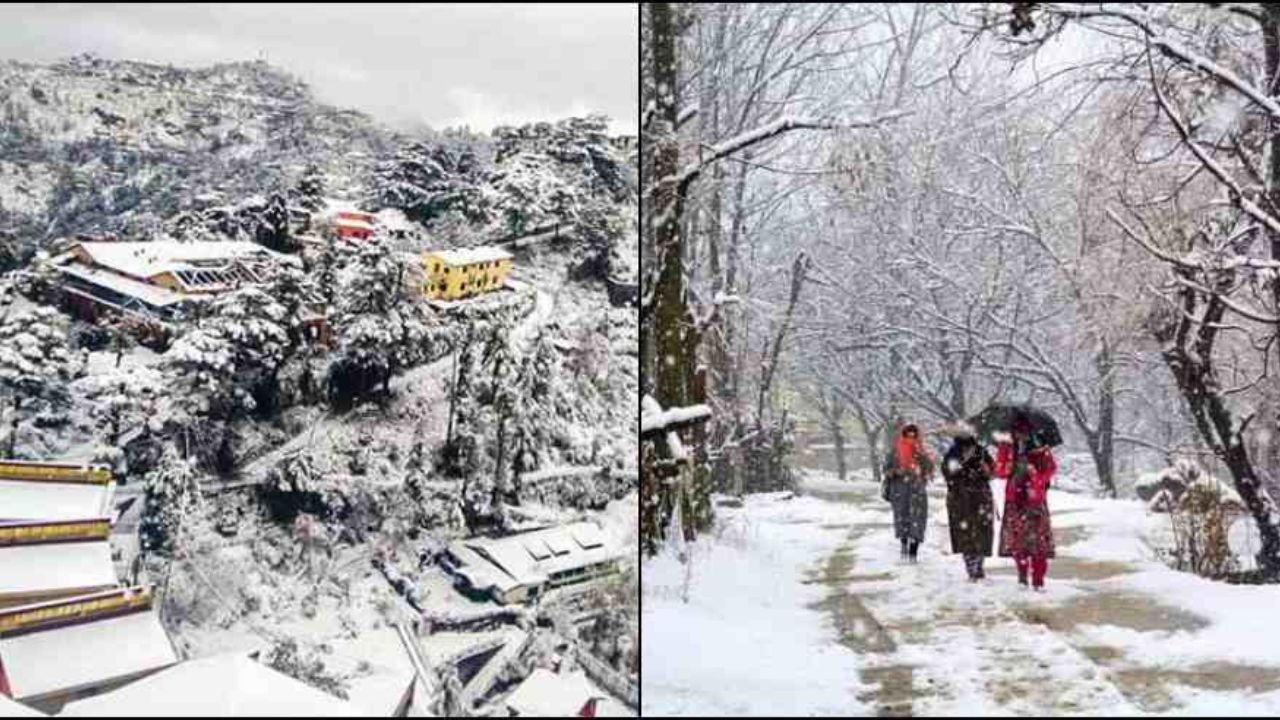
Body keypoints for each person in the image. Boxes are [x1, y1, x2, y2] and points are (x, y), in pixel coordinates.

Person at [994, 413, 1058, 591]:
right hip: (1015, 500)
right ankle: (1022, 576)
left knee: (1038, 544)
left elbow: (1051, 470)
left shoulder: (1040, 449)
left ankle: (1038, 579)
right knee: (1018, 542)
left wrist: (1035, 475)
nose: (1019, 435)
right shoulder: (1008, 448)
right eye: (1016, 431)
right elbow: (1000, 472)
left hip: (1035, 500)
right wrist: (1003, 453)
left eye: (1023, 431)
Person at [941, 426, 996, 581]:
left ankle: (977, 565)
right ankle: (972, 566)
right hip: (961, 498)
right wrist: (960, 470)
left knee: (981, 532)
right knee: (965, 533)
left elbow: (992, 471)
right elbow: (948, 473)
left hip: (979, 498)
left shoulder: (982, 452)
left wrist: (986, 470)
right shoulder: (953, 453)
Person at [887, 423, 934, 563]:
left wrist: (922, 467)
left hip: (916, 489)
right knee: (903, 518)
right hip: (901, 489)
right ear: (904, 434)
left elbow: (929, 468)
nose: (911, 438)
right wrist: (896, 471)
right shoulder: (896, 450)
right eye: (908, 435)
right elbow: (887, 467)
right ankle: (904, 546)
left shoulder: (920, 450)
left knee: (917, 519)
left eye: (914, 435)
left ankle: (913, 551)